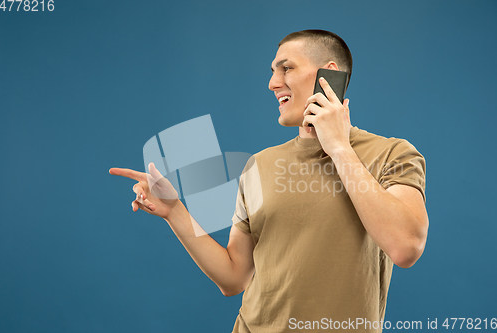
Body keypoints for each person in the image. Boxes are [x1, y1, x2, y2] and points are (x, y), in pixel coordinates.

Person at [110, 29, 428, 333]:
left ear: (328, 75)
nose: (273, 83)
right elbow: (234, 277)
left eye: (286, 68)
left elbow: (406, 248)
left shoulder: (392, 154)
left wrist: (339, 148)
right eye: (274, 71)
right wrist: (174, 211)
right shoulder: (259, 165)